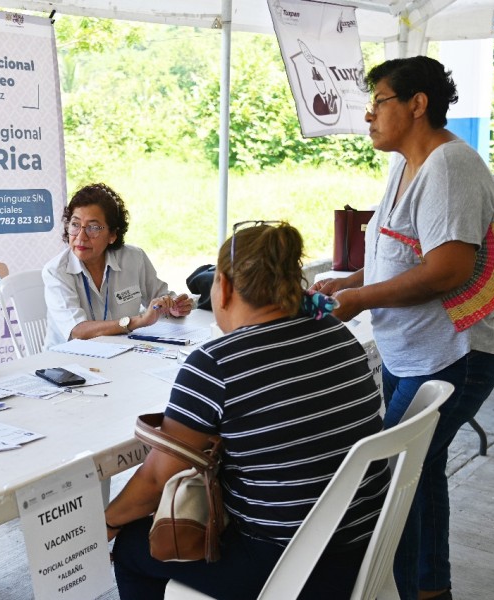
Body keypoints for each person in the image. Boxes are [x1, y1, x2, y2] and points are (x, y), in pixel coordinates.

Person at [311, 56, 494, 600]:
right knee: (418, 476)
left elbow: (446, 269)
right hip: (409, 353)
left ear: (417, 104)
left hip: (454, 354)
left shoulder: (450, 167)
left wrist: (358, 298)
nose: (369, 115)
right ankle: (429, 589)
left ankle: (411, 589)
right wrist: (348, 281)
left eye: (378, 101)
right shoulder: (406, 164)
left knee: (392, 476)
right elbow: (400, 252)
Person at [105, 222, 391, 599]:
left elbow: (156, 482)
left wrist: (105, 523)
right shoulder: (337, 334)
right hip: (366, 544)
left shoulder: (217, 364)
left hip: (291, 565)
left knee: (131, 546)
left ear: (222, 286)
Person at [42, 183, 193, 348]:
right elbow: (78, 330)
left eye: (93, 228)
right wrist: (137, 322)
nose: (81, 237)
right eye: (75, 224)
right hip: (67, 361)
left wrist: (173, 307)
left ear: (112, 235)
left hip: (122, 352)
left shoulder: (134, 258)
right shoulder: (56, 271)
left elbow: (160, 298)